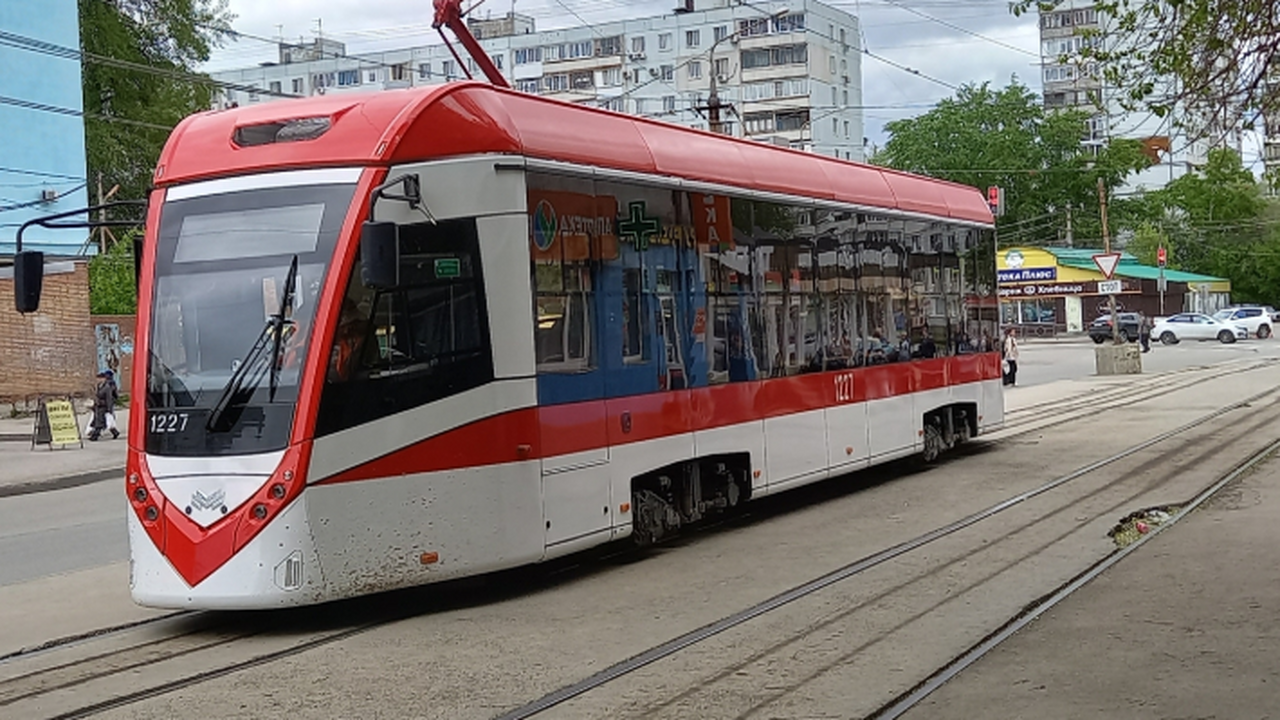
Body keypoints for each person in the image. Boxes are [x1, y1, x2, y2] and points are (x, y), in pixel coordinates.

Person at [87, 371, 118, 441]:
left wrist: (109, 409)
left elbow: (109, 398)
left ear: (104, 379)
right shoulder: (99, 386)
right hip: (98, 405)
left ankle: (95, 436)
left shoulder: (107, 387)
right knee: (102, 420)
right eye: (97, 378)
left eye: (100, 378)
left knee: (100, 421)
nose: (98, 380)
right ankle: (115, 432)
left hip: (104, 406)